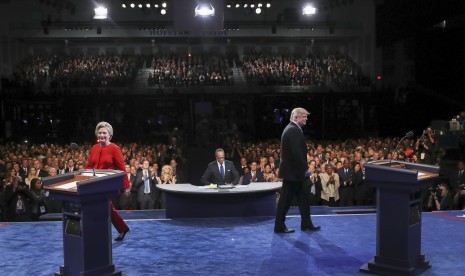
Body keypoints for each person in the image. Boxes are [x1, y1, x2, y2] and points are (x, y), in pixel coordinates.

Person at [274, 107, 320, 233]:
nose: (306, 119)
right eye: (304, 116)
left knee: (304, 198)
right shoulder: (293, 130)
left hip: (294, 173)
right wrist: (306, 169)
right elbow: (296, 153)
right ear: (296, 117)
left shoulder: (293, 129)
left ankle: (306, 223)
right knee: (285, 201)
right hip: (293, 173)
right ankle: (279, 226)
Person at [85, 121, 130, 241]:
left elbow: (122, 168)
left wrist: (126, 186)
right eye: (99, 133)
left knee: (103, 206)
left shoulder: (115, 148)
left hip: (107, 184)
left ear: (110, 135)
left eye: (104, 133)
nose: (101, 135)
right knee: (107, 207)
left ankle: (99, 233)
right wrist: (83, 176)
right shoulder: (94, 148)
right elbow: (89, 165)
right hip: (94, 183)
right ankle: (122, 228)